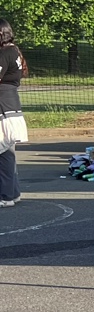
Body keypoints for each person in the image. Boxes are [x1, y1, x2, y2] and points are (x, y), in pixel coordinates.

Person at [0, 18, 28, 207]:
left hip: (4, 107)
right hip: (10, 106)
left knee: (4, 153)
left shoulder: (5, 53)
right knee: (6, 152)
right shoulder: (14, 51)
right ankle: (12, 193)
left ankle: (6, 196)